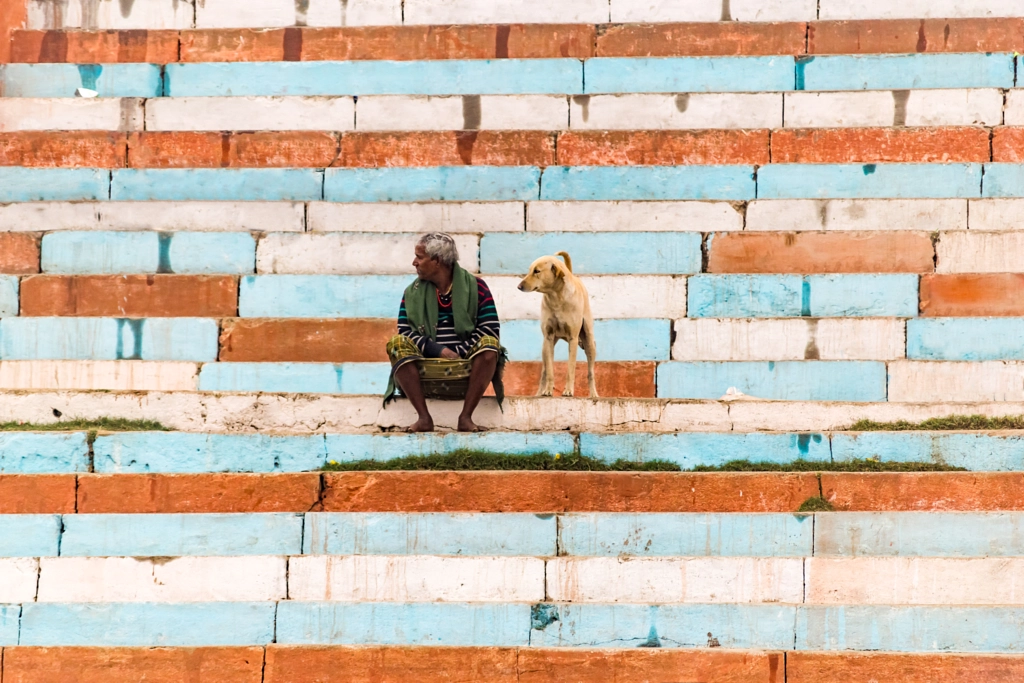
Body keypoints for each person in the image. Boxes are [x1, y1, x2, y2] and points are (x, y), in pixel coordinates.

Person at [384, 232, 506, 432]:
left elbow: (490, 329)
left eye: (420, 257)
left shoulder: (477, 287)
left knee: (491, 346)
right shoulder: (411, 292)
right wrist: (438, 350)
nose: (414, 262)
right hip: (426, 372)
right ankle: (424, 418)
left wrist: (459, 350)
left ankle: (465, 418)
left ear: (437, 261)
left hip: (465, 370)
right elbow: (405, 332)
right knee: (397, 343)